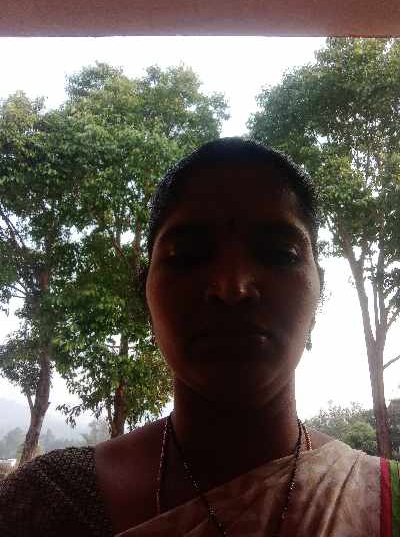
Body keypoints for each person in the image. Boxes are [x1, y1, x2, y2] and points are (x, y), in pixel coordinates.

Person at [0, 137, 398, 536]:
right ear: (145, 291)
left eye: (279, 253)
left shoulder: (383, 502)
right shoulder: (44, 504)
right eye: (187, 256)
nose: (232, 287)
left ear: (318, 287)